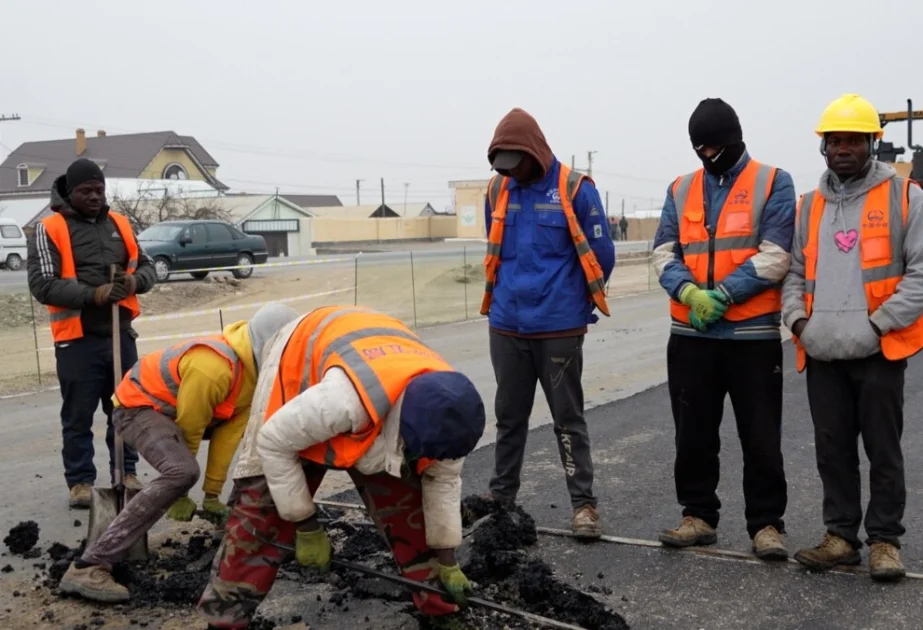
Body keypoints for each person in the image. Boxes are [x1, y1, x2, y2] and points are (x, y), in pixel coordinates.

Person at [197, 305, 486, 629]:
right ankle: (224, 621)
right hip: (298, 367)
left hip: (368, 371)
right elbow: (273, 442)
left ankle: (439, 607)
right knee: (261, 513)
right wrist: (305, 524)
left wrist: (447, 560)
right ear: (399, 428)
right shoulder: (344, 400)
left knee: (408, 504)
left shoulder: (452, 408)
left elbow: (442, 483)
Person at [57, 303, 300, 603]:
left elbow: (228, 436)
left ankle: (235, 533)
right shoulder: (214, 366)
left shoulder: (252, 376)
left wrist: (212, 495)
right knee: (181, 472)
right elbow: (190, 426)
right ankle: (89, 565)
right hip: (137, 407)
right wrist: (183, 491)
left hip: (167, 413)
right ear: (269, 346)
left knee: (242, 447)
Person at [783, 94, 923, 581]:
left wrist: (878, 325)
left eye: (852, 140)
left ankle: (885, 540)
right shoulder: (809, 205)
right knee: (832, 449)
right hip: (823, 351)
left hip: (879, 350)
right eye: (834, 141)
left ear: (872, 143)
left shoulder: (906, 196)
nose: (843, 148)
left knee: (883, 449)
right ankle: (840, 536)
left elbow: (920, 274)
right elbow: (794, 274)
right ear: (823, 148)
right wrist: (800, 323)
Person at [651, 98, 796, 559]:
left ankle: (766, 524)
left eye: (716, 147)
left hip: (751, 338)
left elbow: (776, 254)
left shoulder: (773, 182)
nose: (709, 155)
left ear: (736, 141)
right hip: (691, 337)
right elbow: (662, 253)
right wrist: (690, 294)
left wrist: (724, 296)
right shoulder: (680, 188)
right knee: (692, 433)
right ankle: (697, 515)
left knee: (760, 435)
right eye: (701, 148)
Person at [480, 107, 615, 538]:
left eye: (515, 163)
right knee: (509, 417)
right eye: (502, 165)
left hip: (558, 328)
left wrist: (574, 304)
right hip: (506, 326)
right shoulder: (497, 189)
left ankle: (584, 506)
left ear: (533, 153)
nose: (510, 172)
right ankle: (501, 500)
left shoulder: (574, 188)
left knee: (567, 418)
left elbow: (601, 255)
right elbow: (495, 247)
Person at [27, 158, 158, 509]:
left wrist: (133, 282)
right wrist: (93, 295)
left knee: (126, 410)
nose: (95, 196)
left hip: (119, 335)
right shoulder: (49, 228)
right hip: (77, 339)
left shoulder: (120, 223)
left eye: (99, 190)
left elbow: (146, 267)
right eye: (87, 191)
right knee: (78, 414)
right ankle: (81, 481)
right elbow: (42, 285)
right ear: (70, 193)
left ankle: (126, 472)